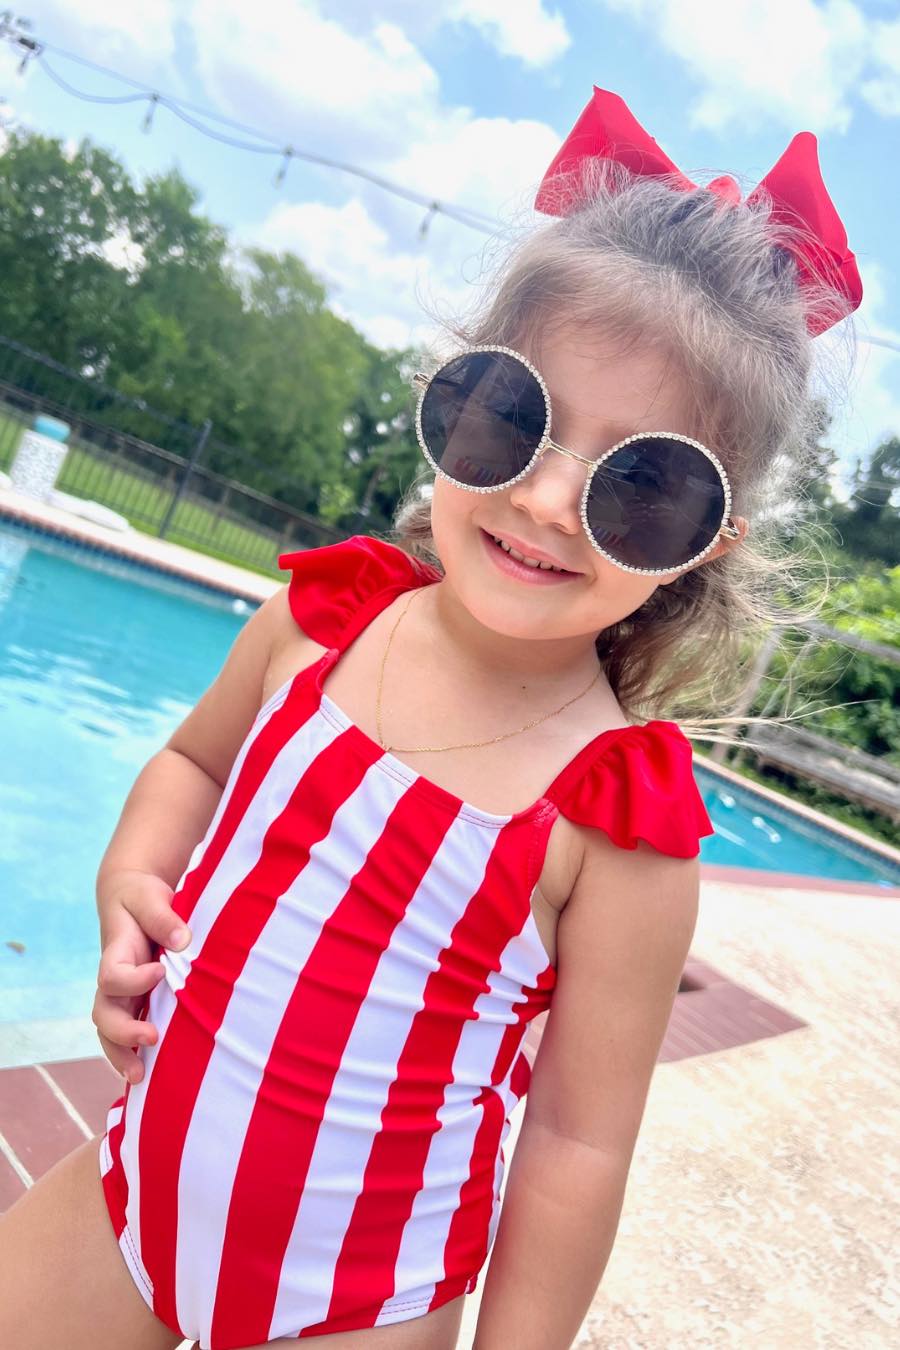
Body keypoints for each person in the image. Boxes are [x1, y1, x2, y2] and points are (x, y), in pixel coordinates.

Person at [0, 87, 860, 1350]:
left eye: (646, 483)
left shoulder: (612, 824)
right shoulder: (319, 623)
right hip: (135, 1193)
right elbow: (191, 760)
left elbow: (573, 1146)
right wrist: (132, 873)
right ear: (453, 398)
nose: (555, 498)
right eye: (520, 418)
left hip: (360, 1305)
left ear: (706, 545)